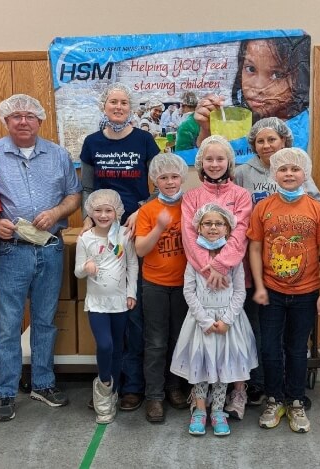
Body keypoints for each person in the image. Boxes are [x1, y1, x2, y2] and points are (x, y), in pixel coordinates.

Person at [0, 94, 81, 422]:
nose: (23, 121)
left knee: (44, 321)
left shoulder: (59, 155)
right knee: (8, 325)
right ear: (6, 121)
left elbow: (74, 195)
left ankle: (43, 382)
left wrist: (56, 212)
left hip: (49, 250)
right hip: (11, 253)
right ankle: (6, 391)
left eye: (29, 116)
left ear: (40, 121)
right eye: (16, 116)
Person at [80, 82, 160, 412]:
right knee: (108, 306)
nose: (118, 107)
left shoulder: (144, 140)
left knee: (133, 311)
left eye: (124, 102)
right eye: (112, 101)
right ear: (104, 106)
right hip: (102, 229)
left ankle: (133, 385)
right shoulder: (92, 142)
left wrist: (143, 209)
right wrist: (89, 218)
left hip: (134, 229)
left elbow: (160, 183)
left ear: (131, 108)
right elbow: (86, 185)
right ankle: (109, 382)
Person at [234, 117, 320, 407]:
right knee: (261, 330)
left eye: (272, 139)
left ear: (284, 140)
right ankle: (262, 385)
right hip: (255, 263)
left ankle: (292, 389)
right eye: (260, 140)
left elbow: (317, 208)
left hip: (296, 269)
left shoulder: (297, 168)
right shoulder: (242, 172)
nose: (266, 145)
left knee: (293, 336)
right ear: (253, 145)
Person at [247, 148, 320, 433]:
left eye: (294, 169)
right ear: (274, 174)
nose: (288, 174)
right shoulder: (263, 208)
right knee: (270, 348)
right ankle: (274, 399)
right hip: (271, 292)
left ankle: (296, 400)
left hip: (306, 292)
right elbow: (256, 248)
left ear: (304, 174)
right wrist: (259, 286)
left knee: (297, 349)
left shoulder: (316, 208)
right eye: (282, 169)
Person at [181, 135, 252, 420]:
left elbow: (240, 232)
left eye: (220, 158)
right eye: (208, 159)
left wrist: (221, 266)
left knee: (233, 343)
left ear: (229, 162)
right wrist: (206, 268)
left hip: (231, 277)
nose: (214, 163)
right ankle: (201, 396)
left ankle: (237, 392)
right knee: (204, 343)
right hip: (201, 279)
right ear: (200, 163)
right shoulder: (191, 197)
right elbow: (189, 235)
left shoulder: (241, 195)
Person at [171, 203, 258, 437]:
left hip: (228, 324)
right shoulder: (195, 260)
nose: (213, 227)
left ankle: (218, 410)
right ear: (198, 228)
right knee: (201, 366)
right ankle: (200, 410)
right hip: (202, 323)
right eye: (207, 223)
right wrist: (205, 320)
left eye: (219, 223)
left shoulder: (233, 261)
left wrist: (228, 319)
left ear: (228, 230)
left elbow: (240, 292)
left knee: (222, 366)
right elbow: (189, 291)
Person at [75, 189, 138, 424]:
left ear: (117, 212)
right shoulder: (86, 239)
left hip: (120, 303)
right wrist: (86, 269)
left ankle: (114, 394)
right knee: (105, 344)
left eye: (108, 210)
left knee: (118, 349)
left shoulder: (125, 235)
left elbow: (132, 264)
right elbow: (77, 271)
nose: (103, 215)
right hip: (97, 304)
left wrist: (131, 293)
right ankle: (103, 386)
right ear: (90, 212)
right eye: (98, 210)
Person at [192, 36, 310, 162]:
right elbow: (210, 165)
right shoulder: (239, 119)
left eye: (277, 74)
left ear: (298, 79)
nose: (258, 87)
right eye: (251, 69)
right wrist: (206, 130)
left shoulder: (299, 125)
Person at [135, 153, 190, 423]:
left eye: (174, 176)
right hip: (155, 285)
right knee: (155, 342)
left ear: (182, 177)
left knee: (179, 339)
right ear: (154, 180)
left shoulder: (190, 205)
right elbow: (141, 248)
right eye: (163, 177)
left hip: (184, 286)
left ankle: (174, 388)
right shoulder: (147, 210)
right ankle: (154, 396)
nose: (169, 181)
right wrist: (158, 228)